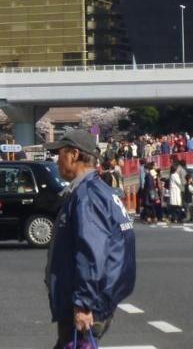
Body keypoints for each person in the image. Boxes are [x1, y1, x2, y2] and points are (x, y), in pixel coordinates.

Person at [43, 129, 136, 348]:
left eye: (60, 154)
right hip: (100, 295)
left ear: (74, 155)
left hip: (88, 302)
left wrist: (83, 303)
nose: (57, 161)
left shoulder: (87, 196)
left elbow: (91, 252)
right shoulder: (101, 191)